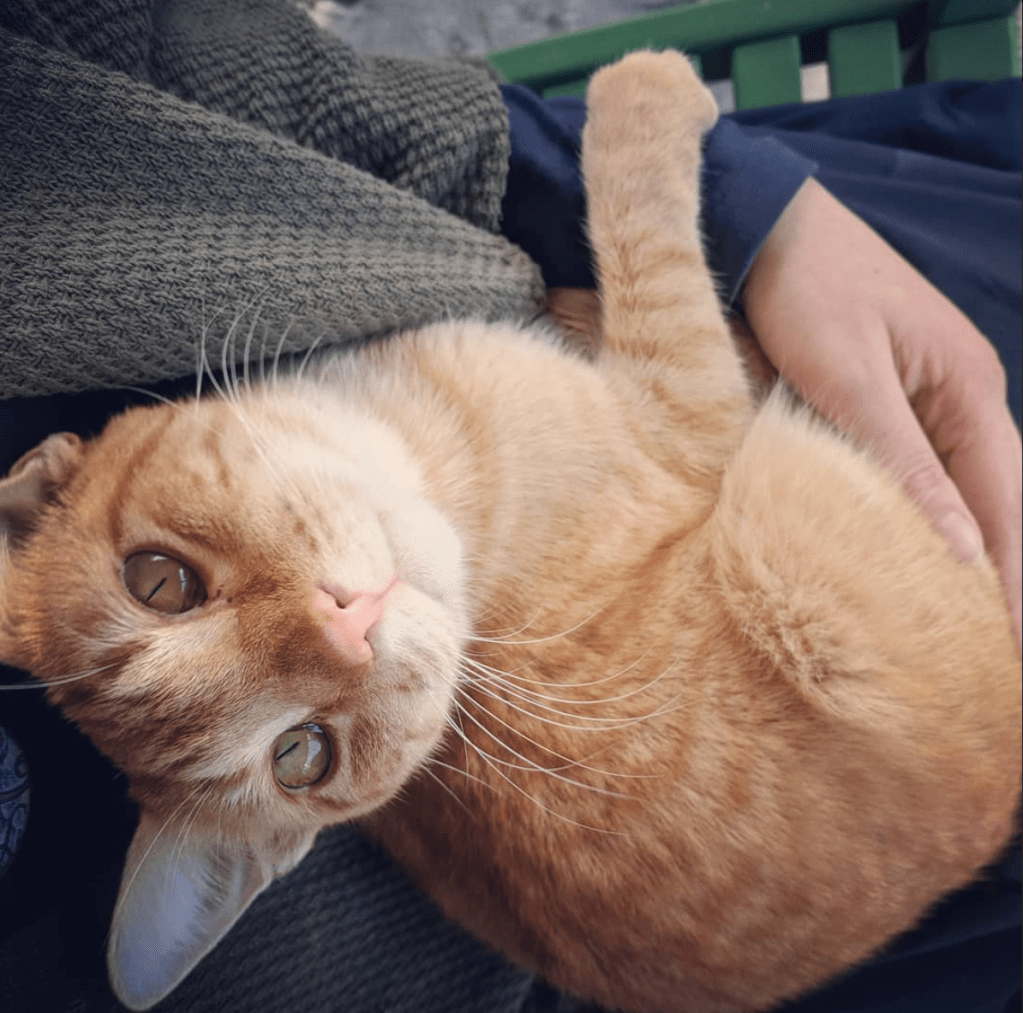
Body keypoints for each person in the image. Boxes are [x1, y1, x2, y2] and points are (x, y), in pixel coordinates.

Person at [0, 2, 1019, 1012]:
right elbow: (687, 428)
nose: (338, 641)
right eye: (300, 752)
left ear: (47, 489)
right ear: (293, 837)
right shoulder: (492, 519)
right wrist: (661, 180)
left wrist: (764, 214)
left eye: (166, 583)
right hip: (899, 666)